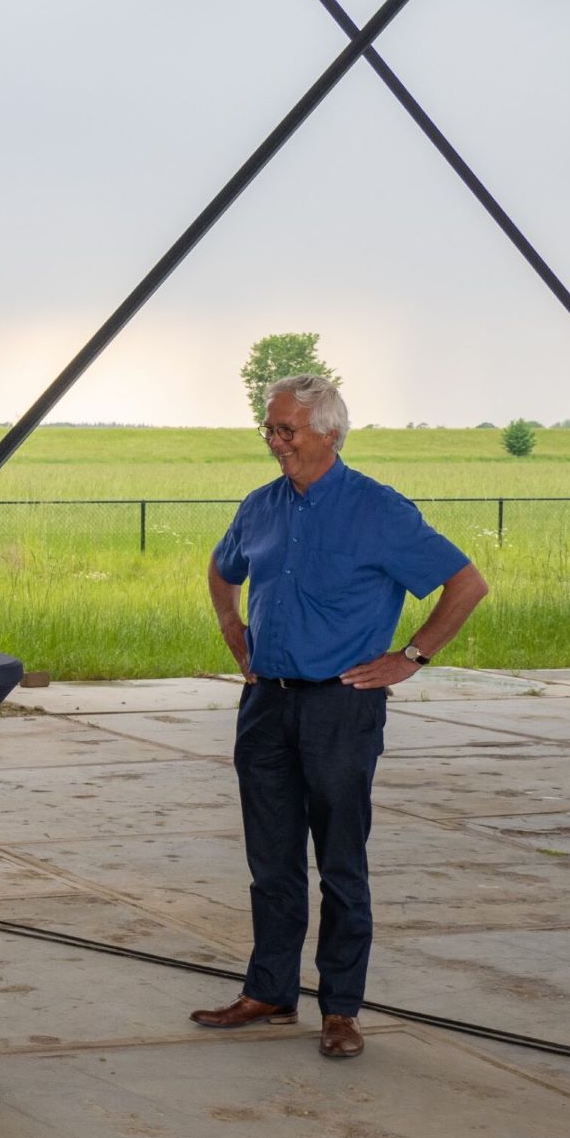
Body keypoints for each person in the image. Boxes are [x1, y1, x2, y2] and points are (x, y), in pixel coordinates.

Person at [193, 374, 487, 1058]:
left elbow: (466, 583)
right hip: (265, 703)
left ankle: (341, 1010)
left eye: (286, 430)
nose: (274, 442)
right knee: (271, 860)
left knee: (341, 863)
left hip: (340, 706)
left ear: (328, 432)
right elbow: (222, 566)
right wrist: (231, 626)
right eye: (269, 428)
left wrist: (412, 656)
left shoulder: (377, 511)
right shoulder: (261, 506)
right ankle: (268, 991)